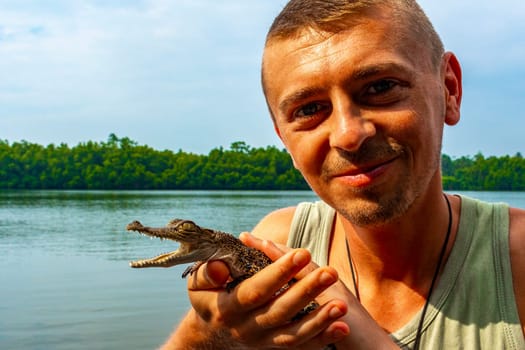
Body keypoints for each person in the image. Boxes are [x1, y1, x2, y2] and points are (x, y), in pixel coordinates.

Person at [162, 0, 525, 348]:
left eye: (380, 87)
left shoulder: (517, 258)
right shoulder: (278, 242)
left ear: (450, 89)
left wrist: (358, 329)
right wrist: (208, 332)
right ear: (284, 140)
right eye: (310, 109)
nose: (349, 136)